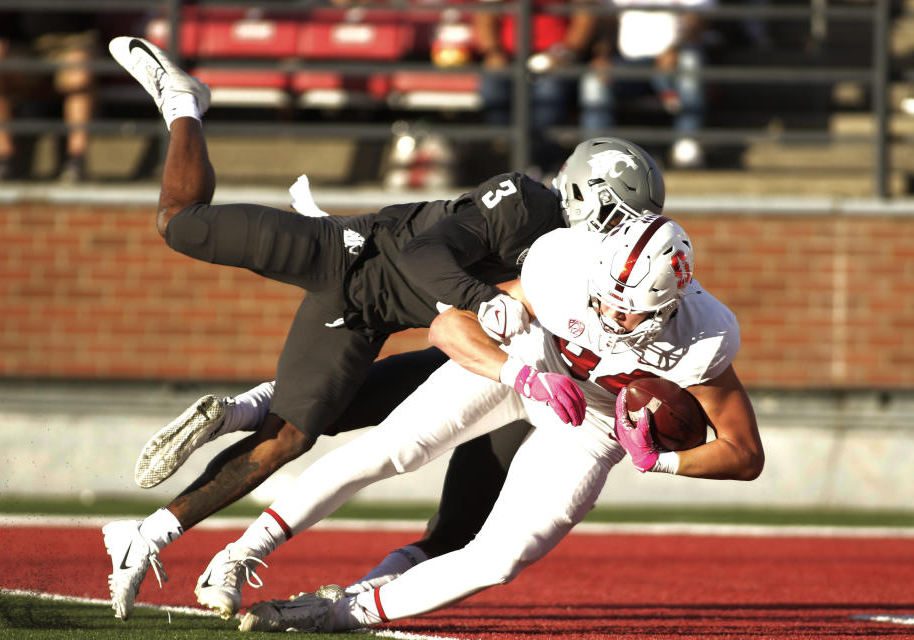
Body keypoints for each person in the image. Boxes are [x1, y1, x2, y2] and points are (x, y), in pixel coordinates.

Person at [101, 35, 665, 621]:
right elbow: (424, 255)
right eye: (617, 219)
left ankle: (152, 529)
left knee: (292, 436)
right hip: (346, 255)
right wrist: (481, 299)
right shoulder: (525, 204)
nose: (620, 237)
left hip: (374, 323)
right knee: (181, 226)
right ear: (582, 194)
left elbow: (465, 347)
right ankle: (183, 104)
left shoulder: (589, 265)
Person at [187, 214, 763, 632]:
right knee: (389, 449)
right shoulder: (563, 264)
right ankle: (244, 551)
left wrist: (657, 458)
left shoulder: (703, 337)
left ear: (670, 304)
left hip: (591, 424)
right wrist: (523, 375)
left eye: (629, 305)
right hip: (522, 363)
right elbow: (448, 329)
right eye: (604, 295)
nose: (610, 311)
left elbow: (744, 453)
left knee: (502, 555)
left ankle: (342, 612)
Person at [580, 0, 714, 168]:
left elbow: (698, 18)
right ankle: (594, 155)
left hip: (675, 59)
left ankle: (687, 142)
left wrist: (675, 48)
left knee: (691, 61)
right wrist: (603, 55)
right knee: (594, 78)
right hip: (627, 63)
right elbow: (608, 20)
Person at [474, 0, 600, 176]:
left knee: (549, 95)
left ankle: (540, 166)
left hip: (555, 60)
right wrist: (493, 52)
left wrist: (566, 52)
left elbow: (585, 14)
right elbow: (487, 12)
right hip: (509, 58)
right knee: (493, 88)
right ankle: (509, 162)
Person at [0, 11, 98, 183]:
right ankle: (5, 160)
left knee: (79, 72)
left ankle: (76, 162)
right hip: (23, 44)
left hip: (73, 41)